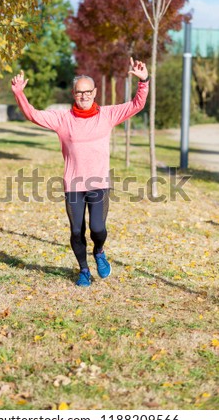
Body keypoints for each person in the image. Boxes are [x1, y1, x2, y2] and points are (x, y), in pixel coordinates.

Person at [11, 58, 149, 287]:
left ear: (94, 93)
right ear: (73, 95)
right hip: (74, 185)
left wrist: (144, 81)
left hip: (99, 183)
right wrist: (19, 94)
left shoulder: (107, 115)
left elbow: (136, 104)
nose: (83, 96)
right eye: (79, 93)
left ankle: (100, 252)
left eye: (87, 92)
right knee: (77, 231)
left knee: (98, 229)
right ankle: (84, 270)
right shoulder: (62, 119)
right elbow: (32, 114)